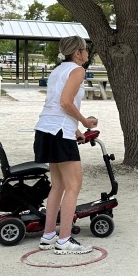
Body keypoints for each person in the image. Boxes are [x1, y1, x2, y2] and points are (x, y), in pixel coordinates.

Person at [33, 36, 98, 255]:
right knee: (73, 186)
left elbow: (56, 104)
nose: (87, 52)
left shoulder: (58, 70)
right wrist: (84, 122)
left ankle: (48, 235)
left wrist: (76, 130)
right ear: (77, 53)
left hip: (47, 129)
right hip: (59, 133)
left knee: (58, 185)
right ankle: (64, 240)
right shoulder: (77, 71)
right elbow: (65, 102)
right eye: (85, 49)